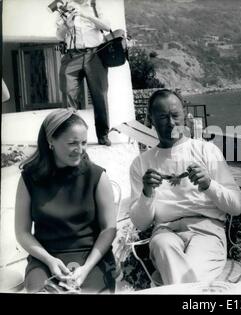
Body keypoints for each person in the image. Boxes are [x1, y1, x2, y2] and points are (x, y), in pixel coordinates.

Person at [129, 89, 241, 285]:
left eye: (175, 115)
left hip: (206, 231)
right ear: (151, 120)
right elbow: (141, 223)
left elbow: (236, 206)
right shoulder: (141, 163)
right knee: (164, 246)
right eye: (163, 117)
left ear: (184, 115)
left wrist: (209, 185)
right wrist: (147, 193)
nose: (171, 123)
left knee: (185, 280)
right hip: (165, 232)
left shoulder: (206, 150)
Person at [15, 108, 117, 293]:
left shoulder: (97, 176)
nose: (80, 149)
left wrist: (85, 269)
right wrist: (49, 260)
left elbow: (108, 230)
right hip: (45, 259)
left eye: (84, 142)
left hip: (92, 259)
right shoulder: (29, 178)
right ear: (51, 141)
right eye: (72, 143)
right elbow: (22, 232)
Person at [55, 0, 112, 146]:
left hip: (95, 55)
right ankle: (71, 135)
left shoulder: (94, 4)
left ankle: (103, 135)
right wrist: (67, 26)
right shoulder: (64, 6)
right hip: (71, 55)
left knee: (100, 95)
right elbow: (59, 37)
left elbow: (107, 26)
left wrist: (87, 15)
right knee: (68, 94)